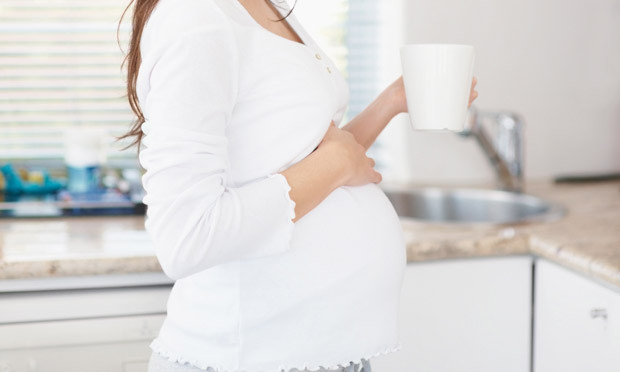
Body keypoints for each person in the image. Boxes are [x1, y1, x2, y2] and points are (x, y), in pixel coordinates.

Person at [117, 0, 479, 371]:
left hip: (327, 354)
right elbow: (187, 237)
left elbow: (312, 162)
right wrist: (335, 164)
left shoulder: (261, 7)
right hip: (250, 357)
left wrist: (390, 103)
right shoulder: (195, 17)